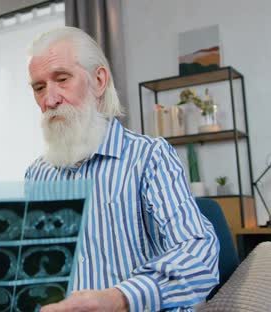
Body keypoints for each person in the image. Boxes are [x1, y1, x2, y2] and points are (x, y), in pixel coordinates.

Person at [25, 27, 219, 312]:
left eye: (62, 79)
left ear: (99, 80)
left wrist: (121, 299)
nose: (49, 100)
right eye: (39, 88)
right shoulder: (36, 174)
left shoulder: (149, 157)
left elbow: (200, 253)